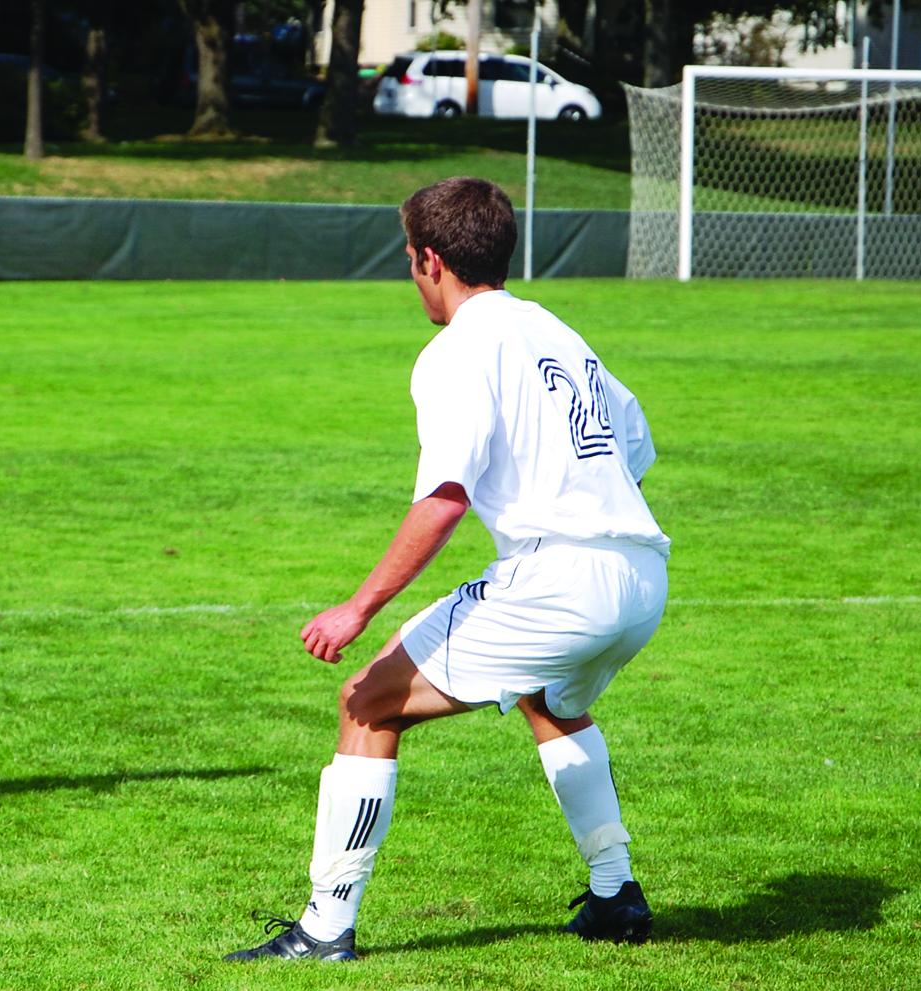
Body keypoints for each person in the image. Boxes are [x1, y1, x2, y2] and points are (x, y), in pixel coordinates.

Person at [224, 177, 670, 962]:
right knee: (548, 699)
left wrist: (355, 607)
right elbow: (632, 449)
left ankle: (324, 927)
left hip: (558, 582)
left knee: (366, 704)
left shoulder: (456, 349)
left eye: (408, 259)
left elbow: (443, 501)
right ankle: (614, 893)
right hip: (639, 574)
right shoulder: (558, 332)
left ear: (430, 260)